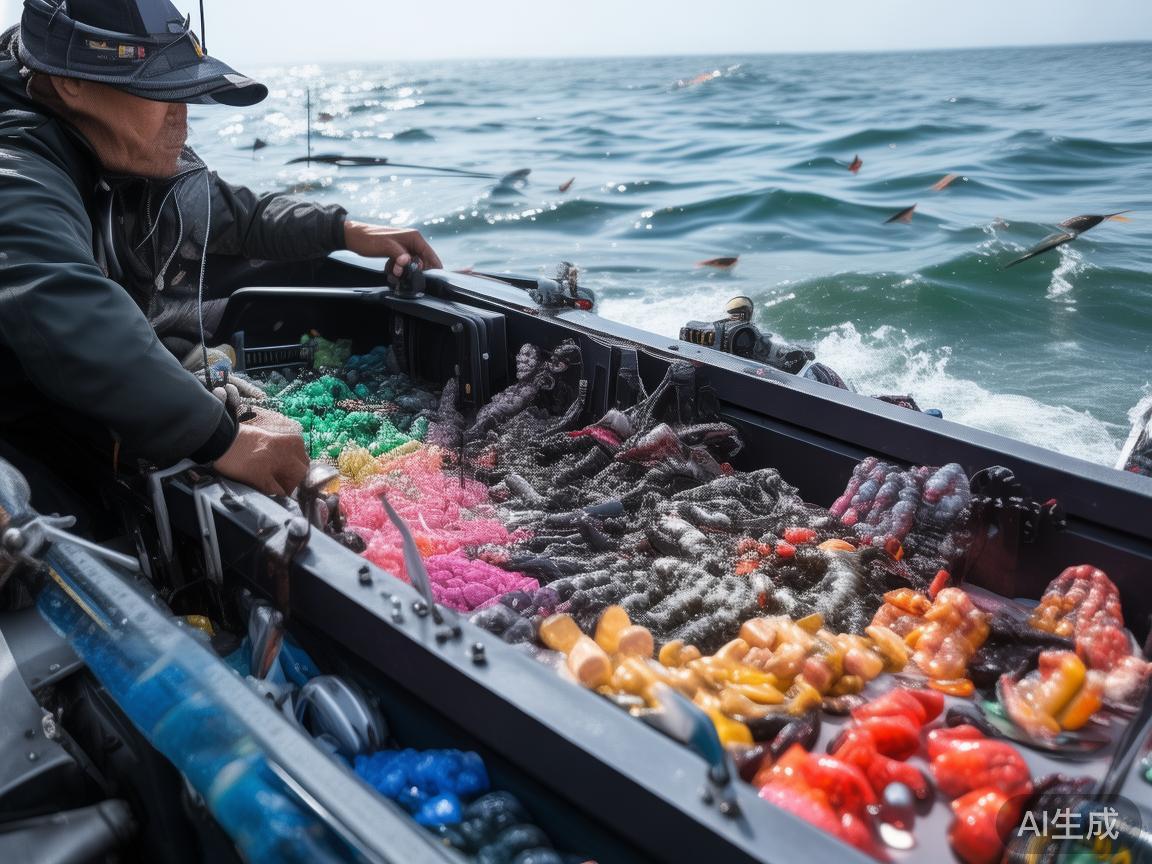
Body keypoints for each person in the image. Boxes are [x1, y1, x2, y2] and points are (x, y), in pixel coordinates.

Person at [0, 0, 443, 516]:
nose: (181, 118)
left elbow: (230, 213)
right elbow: (60, 303)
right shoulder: (15, 171)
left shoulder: (110, 145)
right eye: (160, 91)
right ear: (71, 81)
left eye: (186, 92)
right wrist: (221, 437)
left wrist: (342, 229)